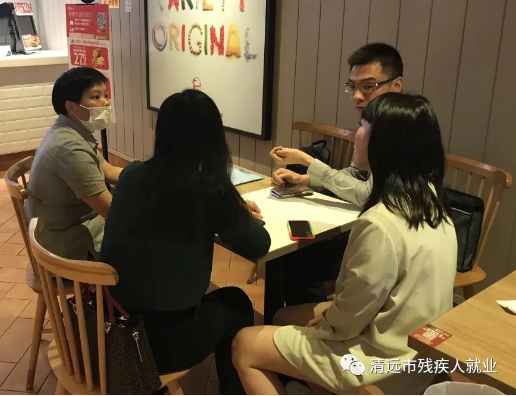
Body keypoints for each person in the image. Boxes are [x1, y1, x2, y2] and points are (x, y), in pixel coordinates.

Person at [232, 93, 457, 395]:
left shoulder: (380, 222)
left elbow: (350, 316)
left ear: (384, 144)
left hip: (380, 360)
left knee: (244, 344)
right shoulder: (435, 204)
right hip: (419, 352)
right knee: (282, 316)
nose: (355, 135)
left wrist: (327, 322)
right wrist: (331, 317)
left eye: (362, 127)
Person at [101, 89, 270, 395]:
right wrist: (238, 210)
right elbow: (258, 245)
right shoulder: (211, 190)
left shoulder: (133, 174)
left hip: (113, 327)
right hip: (163, 346)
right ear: (214, 138)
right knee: (237, 302)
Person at [269, 42, 404, 309]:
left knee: (298, 254)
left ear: (396, 85)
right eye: (352, 86)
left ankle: (307, 322)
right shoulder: (375, 122)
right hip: (362, 224)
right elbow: (356, 175)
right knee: (294, 241)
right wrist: (307, 180)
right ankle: (296, 318)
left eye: (368, 86)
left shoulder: (402, 129)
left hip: (385, 242)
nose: (357, 96)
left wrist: (308, 162)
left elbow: (369, 194)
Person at [24, 67, 122, 261]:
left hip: (67, 231)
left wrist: (152, 176)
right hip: (69, 249)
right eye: (96, 97)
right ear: (71, 107)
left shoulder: (69, 130)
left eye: (106, 95)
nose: (106, 102)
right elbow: (111, 210)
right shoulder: (70, 148)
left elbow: (109, 172)